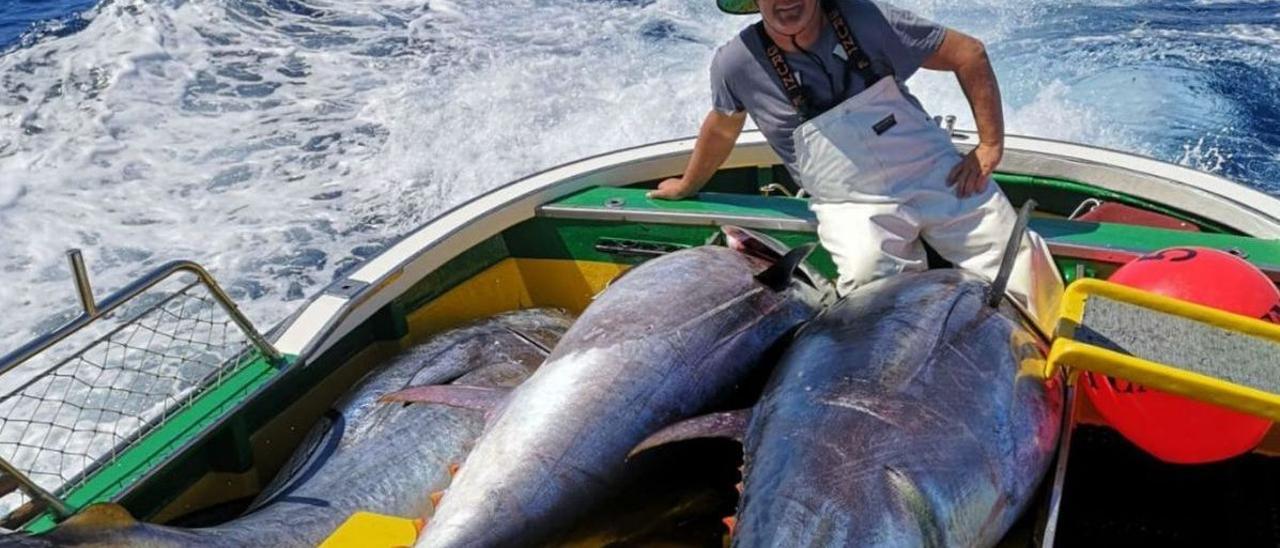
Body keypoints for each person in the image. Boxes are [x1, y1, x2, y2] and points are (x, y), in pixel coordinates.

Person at [649, 0, 1057, 313]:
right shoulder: (734, 62)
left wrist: (989, 146)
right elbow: (723, 127)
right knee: (871, 291)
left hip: (936, 175)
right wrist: (688, 184)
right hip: (850, 202)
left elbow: (968, 53)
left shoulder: (864, 17)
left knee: (1020, 264)